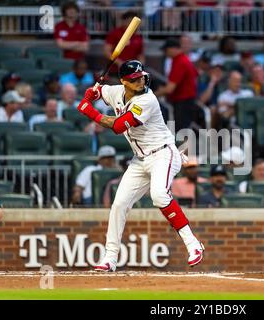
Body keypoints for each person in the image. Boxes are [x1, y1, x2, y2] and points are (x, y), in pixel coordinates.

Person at [76, 60, 205, 271]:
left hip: (163, 154)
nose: (140, 81)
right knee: (119, 205)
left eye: (142, 76)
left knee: (160, 196)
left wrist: (89, 111)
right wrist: (93, 93)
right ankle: (110, 258)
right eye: (134, 79)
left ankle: (193, 245)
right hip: (140, 159)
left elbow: (117, 126)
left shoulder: (147, 100)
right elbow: (100, 92)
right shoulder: (116, 91)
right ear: (124, 81)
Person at [156, 38, 200, 132]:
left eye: (166, 50)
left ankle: (185, 147)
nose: (165, 53)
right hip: (187, 100)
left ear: (172, 49)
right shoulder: (184, 59)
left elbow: (169, 89)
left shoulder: (180, 61)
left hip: (183, 102)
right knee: (183, 130)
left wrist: (153, 94)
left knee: (182, 131)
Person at [104, 11, 144, 76]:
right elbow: (106, 52)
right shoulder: (115, 33)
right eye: (130, 21)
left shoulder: (138, 36)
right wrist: (119, 62)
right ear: (123, 21)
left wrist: (140, 65)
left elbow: (140, 55)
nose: (132, 24)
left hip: (132, 72)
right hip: (115, 71)